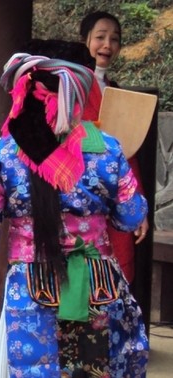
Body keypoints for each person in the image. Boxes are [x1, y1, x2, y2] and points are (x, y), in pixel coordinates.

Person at [0, 54, 149, 376]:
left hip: (30, 284)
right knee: (96, 369)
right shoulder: (107, 149)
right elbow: (131, 215)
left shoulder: (5, 151)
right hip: (99, 283)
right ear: (76, 98)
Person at [80, 10, 149, 284]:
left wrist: (137, 206)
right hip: (81, 199)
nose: (107, 45)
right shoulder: (71, 87)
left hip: (114, 196)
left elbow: (127, 153)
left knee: (116, 276)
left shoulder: (115, 91)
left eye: (115, 39)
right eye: (100, 37)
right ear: (84, 40)